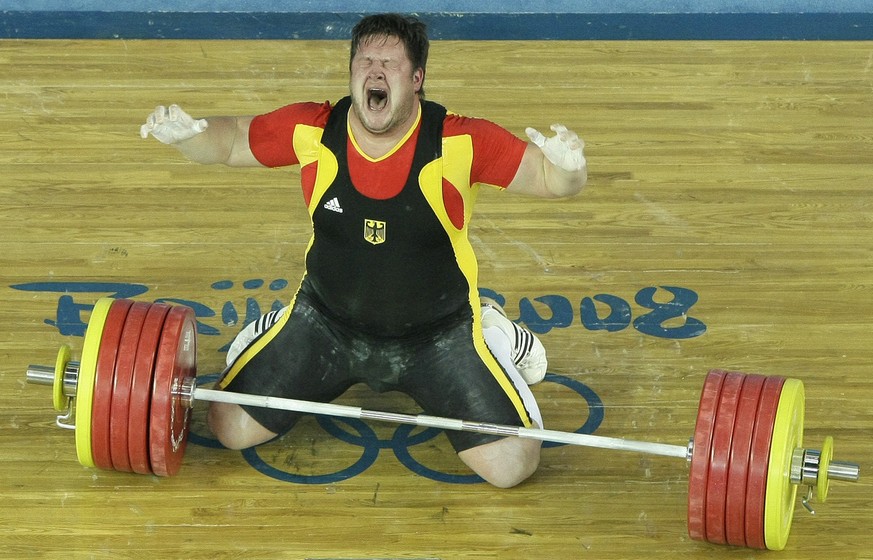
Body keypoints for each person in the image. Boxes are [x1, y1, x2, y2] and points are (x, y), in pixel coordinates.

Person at [140, 13, 587, 488]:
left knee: (512, 467)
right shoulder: (313, 129)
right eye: (365, 60)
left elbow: (546, 178)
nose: (374, 71)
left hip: (438, 335)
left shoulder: (459, 141)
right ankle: (283, 324)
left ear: (416, 80)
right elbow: (229, 141)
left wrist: (568, 168)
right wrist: (189, 139)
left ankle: (494, 332)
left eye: (390, 63)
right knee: (228, 428)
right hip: (327, 324)